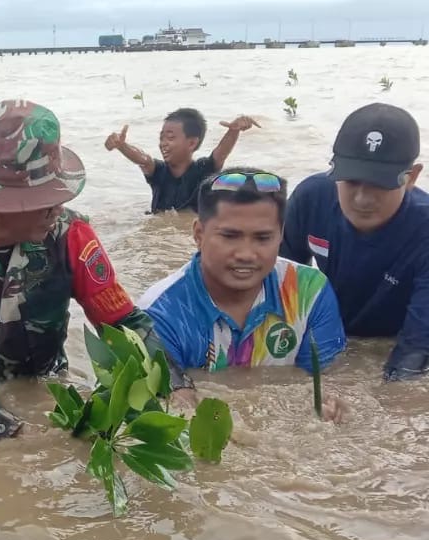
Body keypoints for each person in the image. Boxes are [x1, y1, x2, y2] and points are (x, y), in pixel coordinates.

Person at [0, 99, 184, 441]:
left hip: (45, 389)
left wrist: (176, 387)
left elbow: (124, 324)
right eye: (45, 199)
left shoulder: (71, 235)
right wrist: (12, 432)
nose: (58, 207)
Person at [140, 167, 347, 422]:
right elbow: (174, 410)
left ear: (280, 235)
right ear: (198, 234)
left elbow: (327, 379)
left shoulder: (310, 292)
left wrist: (328, 408)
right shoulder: (159, 313)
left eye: (263, 238)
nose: (246, 254)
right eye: (230, 236)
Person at [279, 102, 428, 381]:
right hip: (329, 329)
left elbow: (416, 347)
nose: (362, 199)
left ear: (412, 177)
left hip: (391, 340)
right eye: (350, 181)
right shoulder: (311, 198)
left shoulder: (424, 230)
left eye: (380, 184)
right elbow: (276, 287)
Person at [105, 108, 260, 213]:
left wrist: (234, 131)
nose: (163, 143)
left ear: (192, 143)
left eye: (170, 138)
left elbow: (221, 153)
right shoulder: (158, 171)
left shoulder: (204, 169)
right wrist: (122, 146)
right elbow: (143, 159)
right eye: (161, 138)